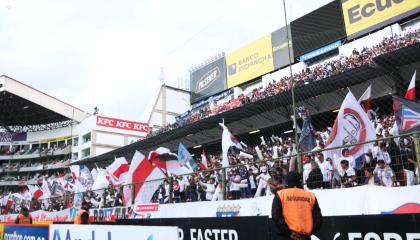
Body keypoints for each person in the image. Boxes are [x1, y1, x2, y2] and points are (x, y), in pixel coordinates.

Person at [272, 172, 322, 240]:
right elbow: (318, 219)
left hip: (286, 236)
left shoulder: (281, 195)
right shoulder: (311, 196)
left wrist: (290, 233)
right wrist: (308, 233)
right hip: (305, 237)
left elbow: (276, 217)